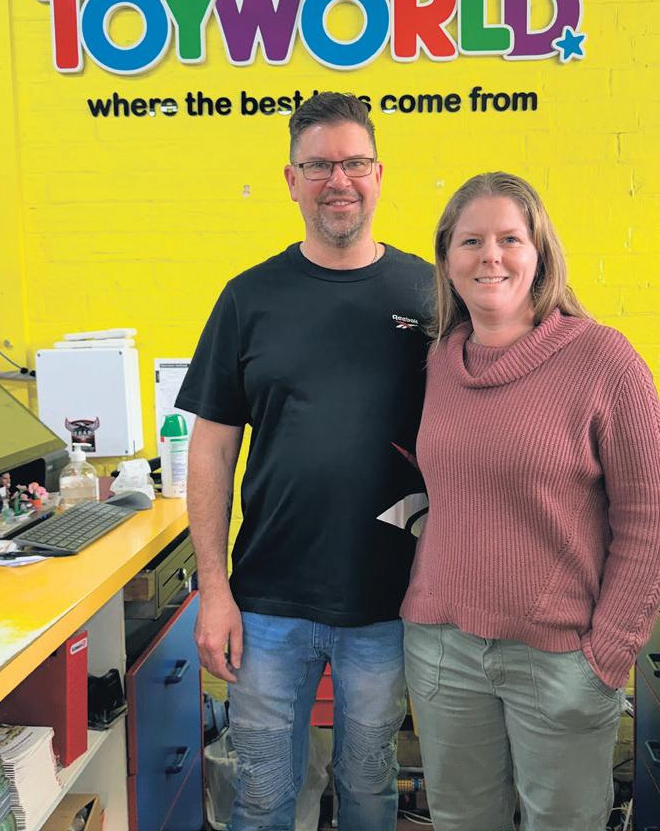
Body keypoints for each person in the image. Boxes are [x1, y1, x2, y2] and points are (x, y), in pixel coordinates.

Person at [175, 92, 431, 831]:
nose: (337, 180)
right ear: (291, 180)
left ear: (379, 175)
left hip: (387, 601)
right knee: (262, 796)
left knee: (370, 791)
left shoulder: (427, 293)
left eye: (354, 163)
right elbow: (213, 450)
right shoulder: (248, 298)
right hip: (266, 603)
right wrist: (214, 591)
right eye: (318, 166)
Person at [401, 172, 660, 831]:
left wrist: (608, 655)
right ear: (447, 259)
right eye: (471, 241)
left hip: (559, 656)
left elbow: (652, 519)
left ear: (540, 253)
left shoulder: (603, 360)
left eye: (509, 239)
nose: (490, 256)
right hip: (442, 649)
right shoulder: (439, 362)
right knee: (462, 822)